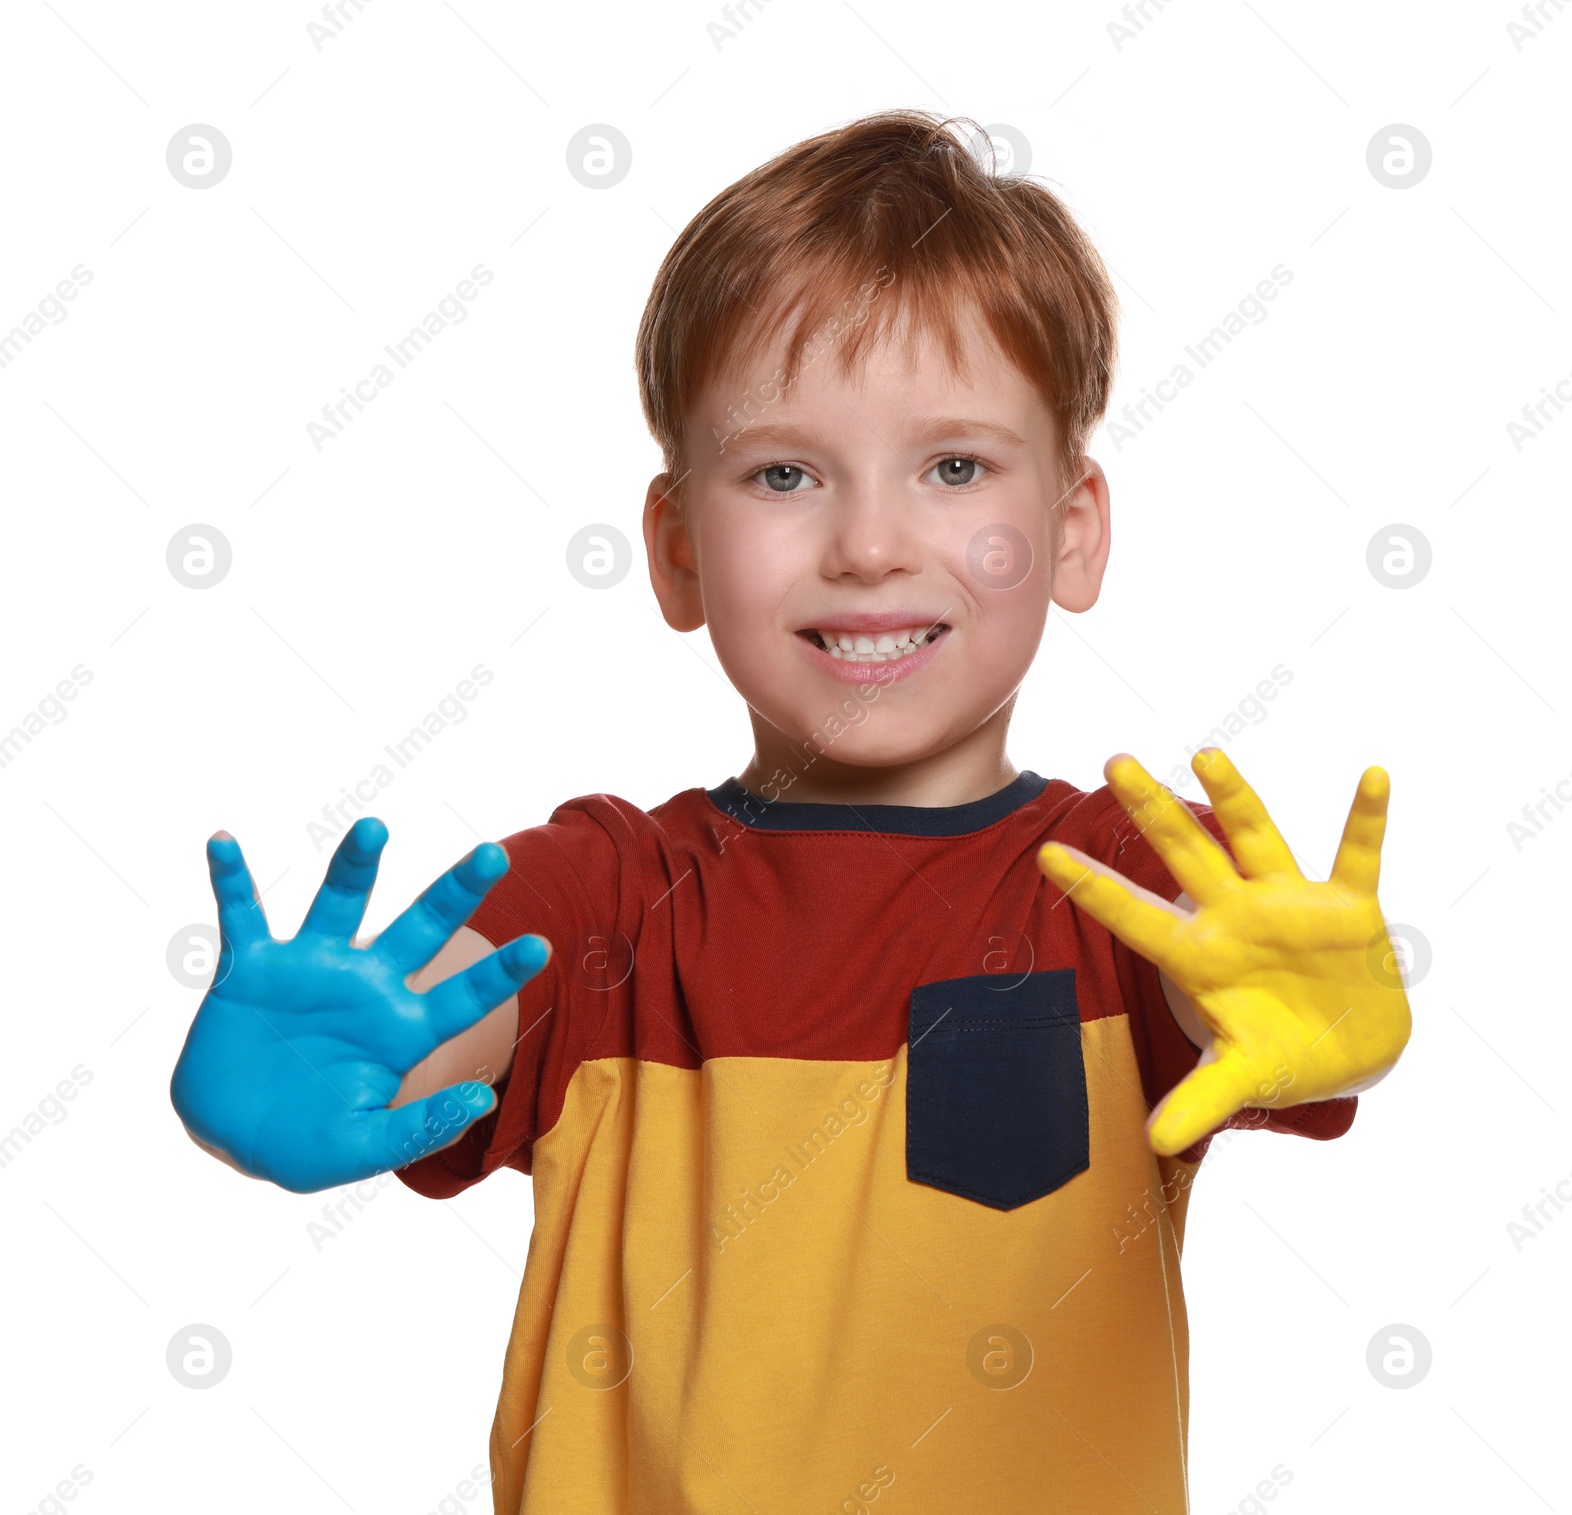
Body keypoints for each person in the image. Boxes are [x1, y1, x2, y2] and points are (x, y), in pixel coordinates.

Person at [171, 109, 1412, 1513]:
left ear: (1073, 530)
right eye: (783, 473)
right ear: (678, 547)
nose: (870, 543)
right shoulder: (598, 899)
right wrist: (351, 1055)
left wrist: (1320, 1019)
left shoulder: (1123, 889)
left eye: (954, 468)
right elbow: (442, 1014)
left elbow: (1237, 1008)